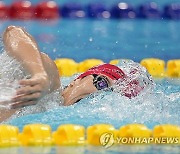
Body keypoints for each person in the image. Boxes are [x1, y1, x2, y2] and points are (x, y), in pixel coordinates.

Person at [0, 26, 150, 121]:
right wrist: (39, 75)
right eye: (102, 83)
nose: (101, 95)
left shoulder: (54, 116)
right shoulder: (50, 85)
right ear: (76, 80)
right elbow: (13, 33)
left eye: (111, 95)